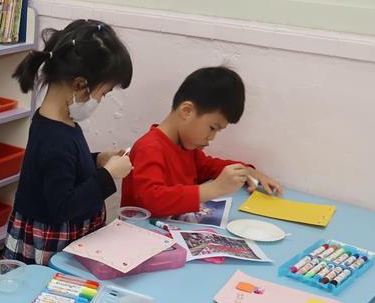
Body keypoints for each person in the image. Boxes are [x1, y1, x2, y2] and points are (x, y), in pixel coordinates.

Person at [3, 19, 135, 265]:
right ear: (80, 85)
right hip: (52, 242)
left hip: (61, 232)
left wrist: (97, 160)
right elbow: (62, 206)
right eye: (103, 93)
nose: (101, 100)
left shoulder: (58, 121)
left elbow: (63, 170)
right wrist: (108, 175)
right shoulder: (55, 139)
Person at [121, 66, 283, 217]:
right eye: (212, 128)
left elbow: (211, 167)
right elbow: (152, 200)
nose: (212, 137)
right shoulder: (149, 148)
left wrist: (247, 171)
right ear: (187, 111)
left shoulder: (187, 148)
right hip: (138, 233)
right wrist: (214, 189)